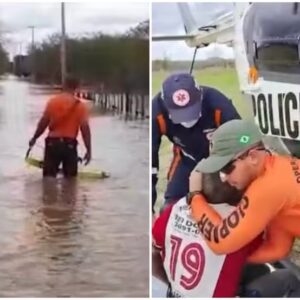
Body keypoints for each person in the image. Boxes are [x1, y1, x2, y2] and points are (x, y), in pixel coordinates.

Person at [188, 119, 300, 264]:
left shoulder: (266, 189)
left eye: (227, 168)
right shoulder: (279, 168)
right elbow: (278, 248)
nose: (223, 178)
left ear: (252, 157)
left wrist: (195, 197)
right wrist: (232, 263)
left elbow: (221, 241)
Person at [152, 176, 263, 297]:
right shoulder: (243, 227)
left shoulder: (174, 210)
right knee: (285, 276)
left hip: (173, 291)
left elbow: (154, 253)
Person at [152, 73, 240, 214]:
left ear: (200, 97)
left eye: (191, 112)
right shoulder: (156, 111)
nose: (187, 120)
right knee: (169, 210)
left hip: (221, 160)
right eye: (180, 114)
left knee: (230, 207)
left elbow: (243, 139)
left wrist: (232, 167)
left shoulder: (218, 103)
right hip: (187, 159)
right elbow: (151, 163)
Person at [28, 76, 91, 177]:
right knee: (71, 182)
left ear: (64, 85)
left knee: (48, 179)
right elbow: (85, 130)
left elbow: (43, 123)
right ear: (77, 87)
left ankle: (48, 193)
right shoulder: (80, 106)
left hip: (52, 144)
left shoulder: (53, 102)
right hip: (70, 145)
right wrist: (89, 150)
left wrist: (34, 138)